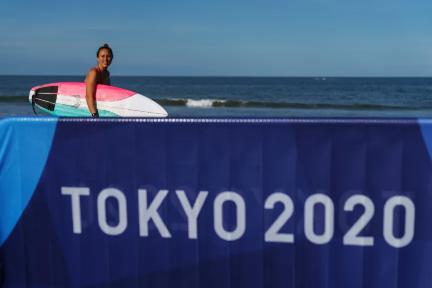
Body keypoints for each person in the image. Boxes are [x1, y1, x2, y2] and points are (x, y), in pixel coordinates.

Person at [85, 43, 113, 117]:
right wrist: (94, 115)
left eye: (108, 56)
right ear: (97, 58)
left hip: (99, 110)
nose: (105, 59)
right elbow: (88, 96)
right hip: (90, 110)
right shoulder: (94, 73)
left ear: (112, 58)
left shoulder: (107, 74)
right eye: (102, 56)